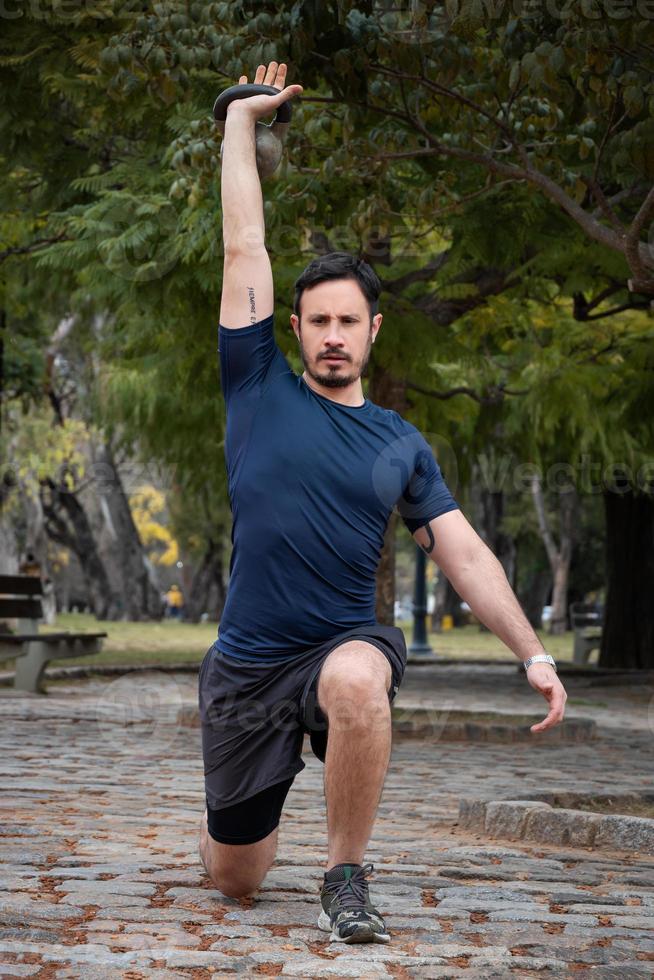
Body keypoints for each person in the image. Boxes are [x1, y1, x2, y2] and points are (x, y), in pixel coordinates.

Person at [198, 61, 568, 945]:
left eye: (347, 322)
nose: (332, 336)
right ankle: (257, 808)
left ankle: (344, 875)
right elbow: (245, 245)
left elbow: (464, 552)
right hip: (247, 664)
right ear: (295, 329)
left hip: (337, 645)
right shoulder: (255, 386)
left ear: (372, 331)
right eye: (316, 321)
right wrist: (241, 126)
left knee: (361, 676)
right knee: (235, 879)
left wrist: (534, 654)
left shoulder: (400, 442)